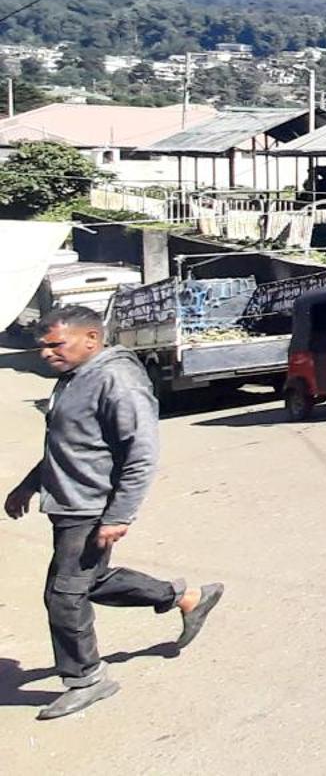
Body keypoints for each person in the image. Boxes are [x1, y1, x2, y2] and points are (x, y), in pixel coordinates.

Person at [5, 306, 225, 720]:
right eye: (42, 347)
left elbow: (141, 454)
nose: (46, 354)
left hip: (90, 506)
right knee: (90, 581)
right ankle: (186, 598)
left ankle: (87, 680)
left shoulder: (116, 380)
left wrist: (119, 515)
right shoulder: (74, 378)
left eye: (56, 344)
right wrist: (29, 484)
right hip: (70, 503)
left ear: (92, 338)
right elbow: (71, 444)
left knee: (64, 596)